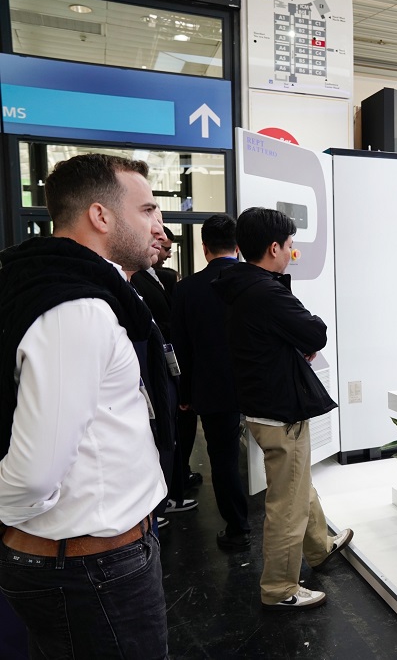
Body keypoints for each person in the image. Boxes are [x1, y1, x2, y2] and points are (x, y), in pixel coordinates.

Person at [0, 153, 171, 658]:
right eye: (147, 210)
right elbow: (34, 476)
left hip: (84, 559)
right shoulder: (77, 310)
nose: (158, 226)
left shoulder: (65, 288)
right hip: (91, 566)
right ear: (101, 215)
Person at [213, 206, 353, 610]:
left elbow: (272, 337)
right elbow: (314, 332)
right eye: (290, 245)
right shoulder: (266, 291)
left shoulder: (239, 286)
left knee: (297, 484)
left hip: (262, 403)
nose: (292, 253)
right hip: (279, 410)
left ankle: (320, 547)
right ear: (273, 248)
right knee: (287, 502)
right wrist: (303, 334)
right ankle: (279, 588)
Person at [172, 214, 252, 551]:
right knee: (277, 457)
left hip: (213, 388)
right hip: (258, 384)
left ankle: (238, 529)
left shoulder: (185, 289)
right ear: (238, 247)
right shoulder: (258, 280)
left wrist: (185, 392)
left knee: (223, 459)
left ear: (204, 248)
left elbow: (180, 347)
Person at [132, 211, 197, 521]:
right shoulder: (134, 280)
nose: (160, 242)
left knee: (172, 436)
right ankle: (161, 501)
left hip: (166, 368)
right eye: (152, 226)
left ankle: (170, 492)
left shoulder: (160, 277)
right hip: (154, 370)